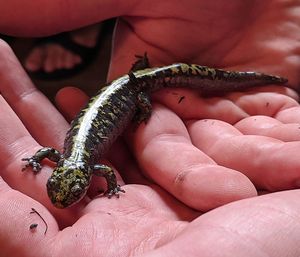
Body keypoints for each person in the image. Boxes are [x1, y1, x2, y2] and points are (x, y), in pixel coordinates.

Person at [0, 1, 300, 256]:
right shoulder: (84, 165)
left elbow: (66, 158)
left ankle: (244, 79)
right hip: (129, 86)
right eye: (62, 190)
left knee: (151, 94)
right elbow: (62, 156)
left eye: (72, 191)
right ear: (64, 171)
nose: (63, 200)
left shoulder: (84, 165)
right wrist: (39, 159)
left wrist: (142, 110)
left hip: (136, 87)